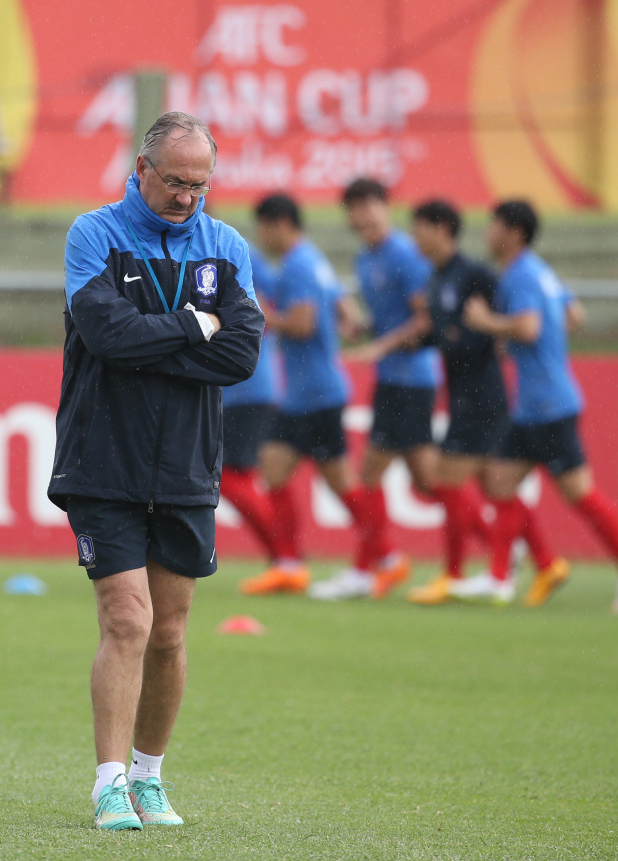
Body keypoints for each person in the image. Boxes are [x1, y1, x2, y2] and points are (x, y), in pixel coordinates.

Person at [47, 112, 264, 830]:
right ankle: (109, 783)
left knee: (169, 632)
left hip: (186, 467)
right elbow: (105, 336)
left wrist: (157, 343)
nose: (187, 197)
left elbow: (240, 356)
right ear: (140, 168)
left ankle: (149, 778)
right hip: (102, 459)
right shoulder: (95, 235)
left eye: (200, 184)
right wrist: (195, 326)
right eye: (175, 181)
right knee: (128, 619)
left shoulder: (226, 246)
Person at [460, 199, 618, 612]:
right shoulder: (539, 271)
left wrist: (488, 323)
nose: (487, 233)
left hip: (548, 403)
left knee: (577, 492)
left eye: (493, 226)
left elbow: (528, 326)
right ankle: (502, 579)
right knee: (499, 481)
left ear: (513, 234)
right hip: (536, 403)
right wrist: (544, 346)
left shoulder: (519, 277)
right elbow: (574, 314)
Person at [239, 193, 402, 599]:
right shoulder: (309, 260)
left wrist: (260, 314)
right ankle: (291, 564)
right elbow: (336, 300)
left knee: (342, 483)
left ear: (278, 224)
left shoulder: (299, 264)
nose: (262, 237)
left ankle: (385, 558)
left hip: (317, 392)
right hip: (304, 393)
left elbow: (303, 323)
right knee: (274, 471)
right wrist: (347, 319)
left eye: (262, 228)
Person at [407, 200, 568, 606]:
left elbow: (498, 326)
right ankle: (546, 561)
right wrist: (425, 339)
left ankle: (455, 573)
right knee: (496, 486)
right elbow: (448, 331)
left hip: (482, 395)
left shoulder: (476, 275)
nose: (414, 236)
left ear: (442, 228)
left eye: (420, 227)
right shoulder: (437, 277)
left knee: (445, 479)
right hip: (463, 393)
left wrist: (478, 334)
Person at [306, 178, 436, 600]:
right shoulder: (367, 258)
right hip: (393, 379)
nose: (362, 215)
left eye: (369, 205)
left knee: (369, 474)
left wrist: (378, 346)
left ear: (385, 207)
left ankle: (371, 567)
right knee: (430, 481)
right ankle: (506, 543)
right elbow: (389, 317)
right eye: (354, 207)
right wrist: (358, 327)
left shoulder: (404, 253)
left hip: (412, 379)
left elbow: (424, 320)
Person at [220, 245, 285, 564]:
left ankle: (285, 556)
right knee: (236, 475)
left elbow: (274, 304)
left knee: (228, 474)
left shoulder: (233, 248)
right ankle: (283, 557)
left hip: (247, 386)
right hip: (236, 387)